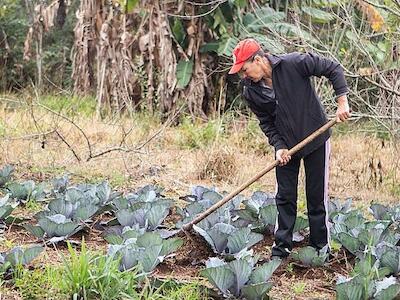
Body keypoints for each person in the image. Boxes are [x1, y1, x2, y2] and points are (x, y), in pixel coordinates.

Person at [228, 38, 351, 259]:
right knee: (284, 196)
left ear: (258, 60)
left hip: (316, 137)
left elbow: (332, 68)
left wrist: (342, 101)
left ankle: (319, 248)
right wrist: (279, 147)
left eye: (245, 69)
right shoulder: (250, 91)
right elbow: (266, 122)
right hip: (287, 147)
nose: (244, 76)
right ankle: (281, 248)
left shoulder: (293, 63)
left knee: (316, 196)